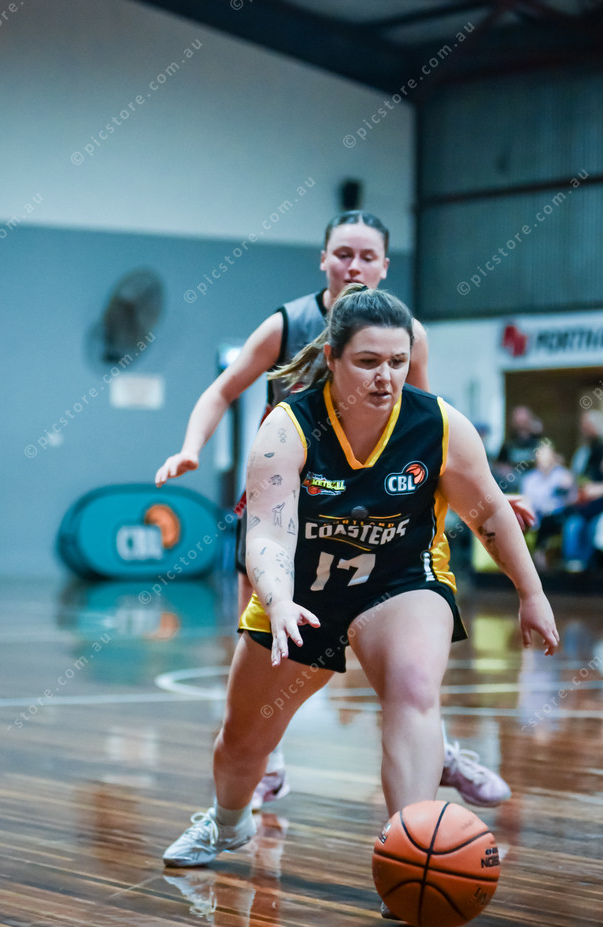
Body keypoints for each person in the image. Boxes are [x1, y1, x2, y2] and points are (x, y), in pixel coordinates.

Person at [161, 287, 559, 919]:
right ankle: (228, 822)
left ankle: (414, 855)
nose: (386, 377)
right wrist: (279, 600)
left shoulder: (440, 425)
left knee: (412, 687)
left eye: (397, 362)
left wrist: (531, 593)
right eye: (368, 361)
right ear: (332, 358)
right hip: (301, 594)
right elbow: (267, 535)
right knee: (242, 742)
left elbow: (489, 513)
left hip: (401, 582)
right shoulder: (288, 427)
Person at [155, 210, 527, 810]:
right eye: (344, 254)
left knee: (409, 674)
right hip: (290, 502)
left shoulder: (405, 333)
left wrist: (483, 495)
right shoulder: (286, 325)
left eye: (367, 256)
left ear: (384, 266)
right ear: (323, 259)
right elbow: (224, 389)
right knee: (267, 636)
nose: (354, 266)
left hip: (380, 513)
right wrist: (190, 447)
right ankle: (264, 760)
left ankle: (436, 755)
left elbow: (429, 431)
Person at [520, 441, 577, 569]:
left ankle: (539, 554)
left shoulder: (563, 475)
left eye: (547, 457)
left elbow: (571, 498)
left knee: (553, 519)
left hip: (558, 516)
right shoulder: (529, 479)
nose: (544, 461)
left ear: (553, 458)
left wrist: (566, 486)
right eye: (541, 457)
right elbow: (526, 501)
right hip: (536, 516)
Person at [561, 410, 603, 571]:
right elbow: (576, 479)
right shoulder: (583, 453)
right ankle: (574, 567)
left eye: (588, 425)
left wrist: (598, 489)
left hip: (599, 507)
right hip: (584, 505)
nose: (584, 429)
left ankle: (591, 569)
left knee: (594, 528)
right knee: (573, 525)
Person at [495, 405, 544, 491]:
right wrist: (505, 470)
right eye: (518, 422)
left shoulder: (538, 442)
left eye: (524, 422)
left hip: (535, 479)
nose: (521, 425)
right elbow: (499, 464)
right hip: (513, 479)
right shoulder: (509, 444)